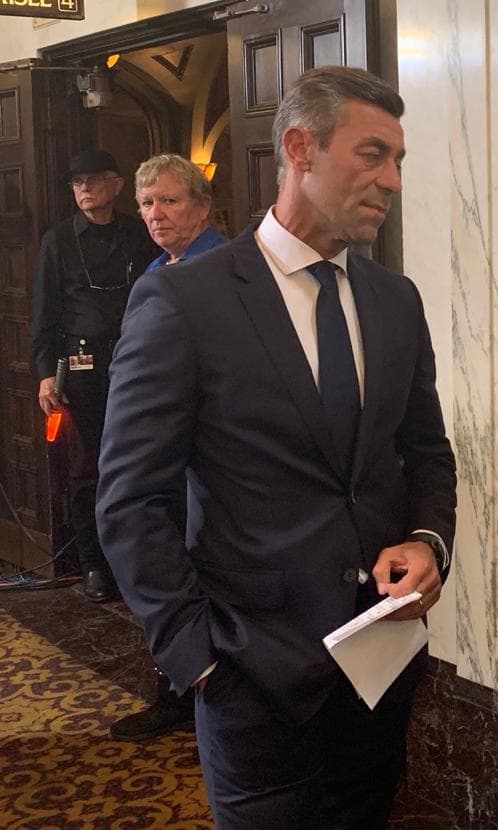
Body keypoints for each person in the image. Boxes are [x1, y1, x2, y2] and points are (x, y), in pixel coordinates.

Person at [95, 66, 456, 830]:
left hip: (380, 662)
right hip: (247, 676)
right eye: (372, 154)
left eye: (398, 160)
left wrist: (429, 542)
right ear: (300, 147)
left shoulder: (396, 299)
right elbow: (132, 501)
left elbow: (425, 451)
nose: (391, 180)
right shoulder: (183, 301)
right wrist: (196, 659)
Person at [107, 153, 229, 744]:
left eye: (170, 201)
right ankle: (178, 685)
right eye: (147, 203)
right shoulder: (157, 267)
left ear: (203, 206)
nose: (156, 214)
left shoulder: (222, 271)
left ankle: (190, 687)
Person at [29, 149, 160, 602]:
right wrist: (46, 373)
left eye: (94, 180)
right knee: (88, 468)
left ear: (117, 185)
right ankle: (93, 564)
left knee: (141, 461)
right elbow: (42, 311)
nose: (84, 189)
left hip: (137, 361)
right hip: (82, 368)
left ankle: (140, 560)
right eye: (77, 182)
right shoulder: (58, 240)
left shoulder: (139, 233)